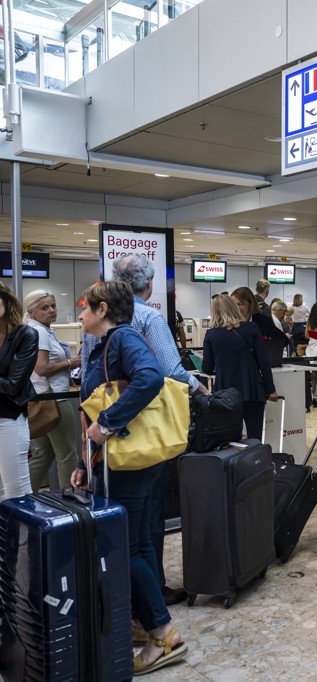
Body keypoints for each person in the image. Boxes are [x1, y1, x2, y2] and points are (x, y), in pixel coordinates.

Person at [71, 280, 188, 675]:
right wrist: (85, 463)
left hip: (131, 462)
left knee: (129, 547)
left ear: (103, 310)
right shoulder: (105, 346)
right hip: (117, 460)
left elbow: (151, 378)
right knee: (136, 544)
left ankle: (162, 631)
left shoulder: (122, 338)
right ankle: (149, 622)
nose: (81, 312)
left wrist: (107, 423)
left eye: (86, 306)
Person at [80, 254, 208, 607]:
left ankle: (136, 602)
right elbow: (169, 371)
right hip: (142, 432)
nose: (81, 314)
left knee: (120, 523)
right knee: (147, 522)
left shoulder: (97, 331)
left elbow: (89, 384)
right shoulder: (149, 317)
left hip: (105, 436)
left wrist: (95, 429)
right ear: (148, 285)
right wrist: (200, 389)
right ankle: (153, 596)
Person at [24, 289, 81, 492]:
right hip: (55, 399)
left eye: (53, 306)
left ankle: (20, 499)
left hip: (40, 399)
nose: (51, 311)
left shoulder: (36, 329)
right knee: (67, 454)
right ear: (31, 311)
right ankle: (70, 500)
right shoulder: (39, 332)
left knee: (43, 454)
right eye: (44, 307)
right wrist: (70, 362)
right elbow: (42, 368)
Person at [203, 295, 280, 441]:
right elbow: (263, 362)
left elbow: (207, 368)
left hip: (225, 394)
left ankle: (233, 463)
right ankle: (256, 462)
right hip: (252, 389)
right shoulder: (251, 328)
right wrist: (271, 389)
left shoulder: (211, 334)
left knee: (229, 437)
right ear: (233, 308)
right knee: (255, 436)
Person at [0, 283, 38, 501]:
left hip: (9, 419)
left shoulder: (26, 335)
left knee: (17, 493)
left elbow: (14, 384)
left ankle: (24, 537)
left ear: (6, 300)